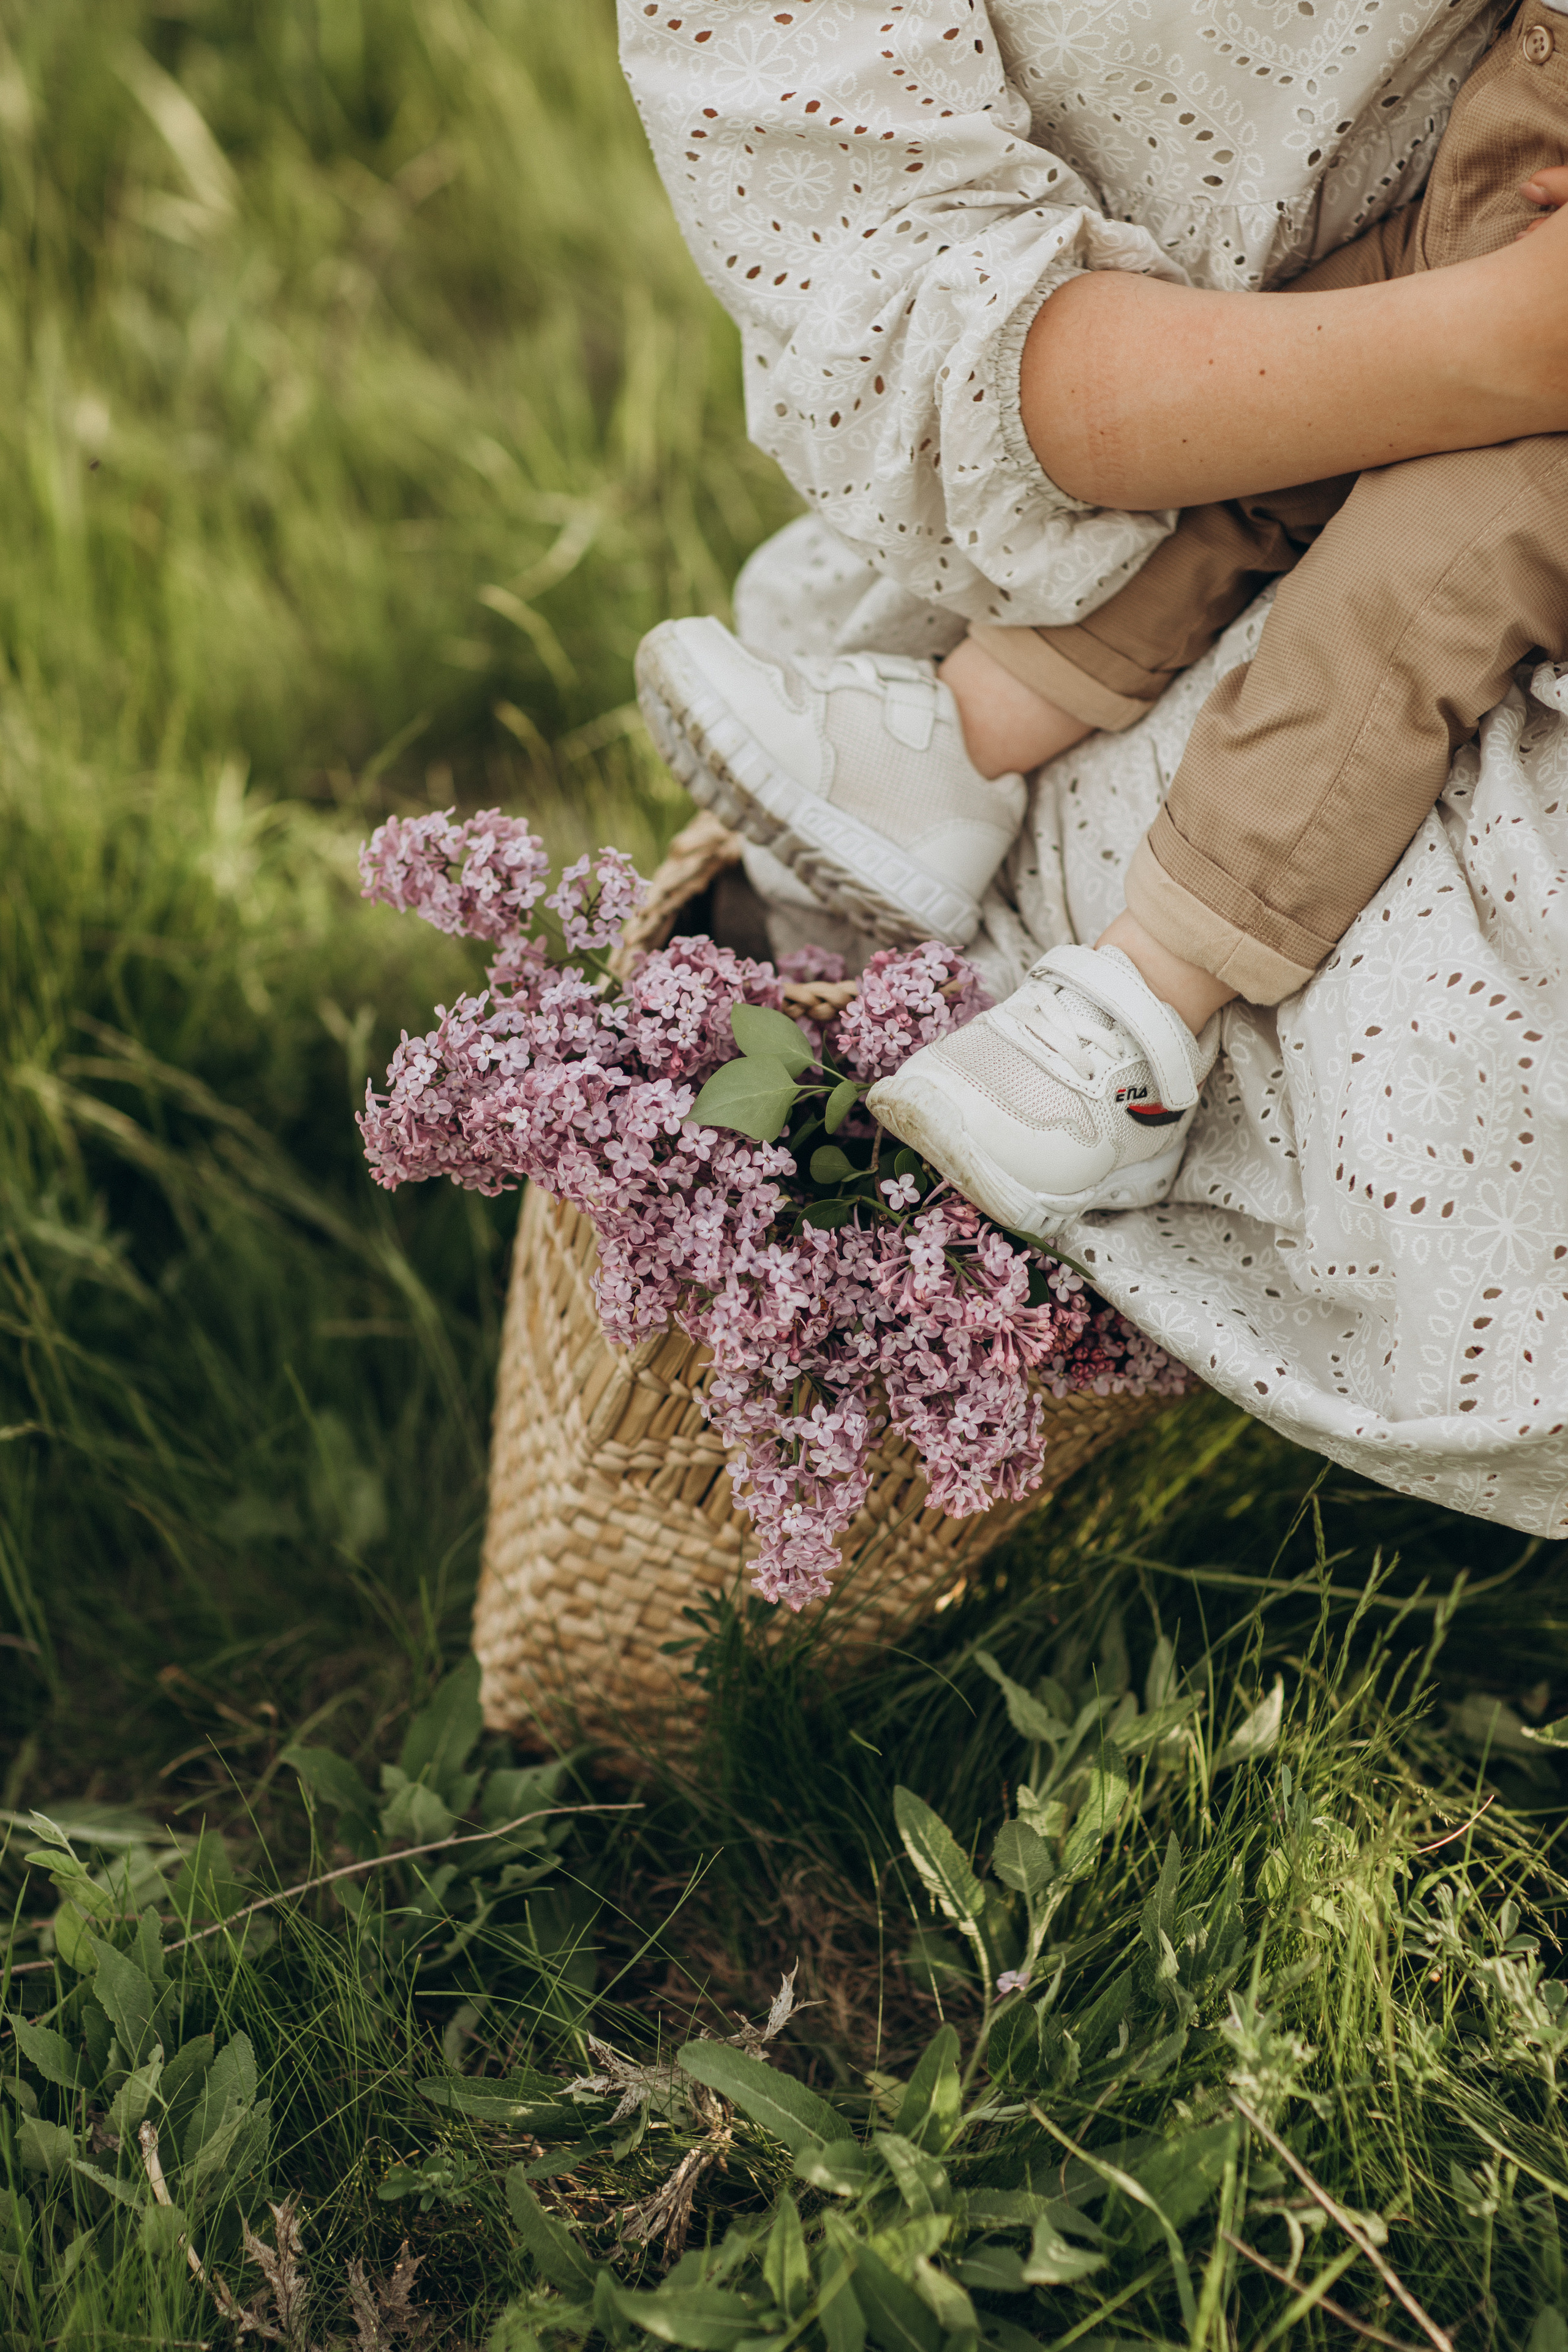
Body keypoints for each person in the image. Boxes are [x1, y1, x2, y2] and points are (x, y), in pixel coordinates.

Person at [629, 1, 1568, 1237]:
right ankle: (962, 739)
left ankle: (1149, 1001)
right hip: (1515, 143)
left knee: (1399, 601)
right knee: (1283, 432)